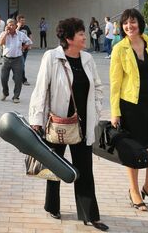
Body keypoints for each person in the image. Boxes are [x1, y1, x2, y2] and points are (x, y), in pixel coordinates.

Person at [29, 18, 108, 231]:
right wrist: (37, 121)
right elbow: (41, 90)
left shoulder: (88, 59)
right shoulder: (52, 57)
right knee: (55, 167)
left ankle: (90, 215)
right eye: (81, 33)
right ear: (68, 38)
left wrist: (96, 107)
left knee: (85, 169)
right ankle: (52, 206)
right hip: (58, 122)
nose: (85, 36)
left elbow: (98, 87)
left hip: (82, 124)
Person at [109, 8, 148, 213]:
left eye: (133, 22)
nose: (129, 26)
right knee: (135, 149)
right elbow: (115, 82)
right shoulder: (120, 49)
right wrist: (115, 111)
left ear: (140, 23)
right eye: (126, 23)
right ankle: (134, 191)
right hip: (130, 104)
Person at [0, 18, 32, 103]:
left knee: (18, 79)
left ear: (16, 26)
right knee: (3, 78)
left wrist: (24, 47)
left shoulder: (20, 34)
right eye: (9, 25)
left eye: (12, 25)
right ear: (7, 26)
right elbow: (1, 43)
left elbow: (29, 42)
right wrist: (6, 33)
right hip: (6, 59)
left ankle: (16, 97)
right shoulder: (3, 34)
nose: (11, 26)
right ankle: (5, 93)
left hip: (18, 59)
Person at [17, 15, 33, 85]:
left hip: (25, 47)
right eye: (21, 20)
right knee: (21, 64)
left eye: (24, 20)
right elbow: (15, 34)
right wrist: (18, 26)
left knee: (22, 64)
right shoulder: (16, 28)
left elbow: (30, 35)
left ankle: (19, 77)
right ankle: (22, 79)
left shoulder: (26, 27)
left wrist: (29, 44)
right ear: (18, 21)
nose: (23, 21)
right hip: (18, 48)